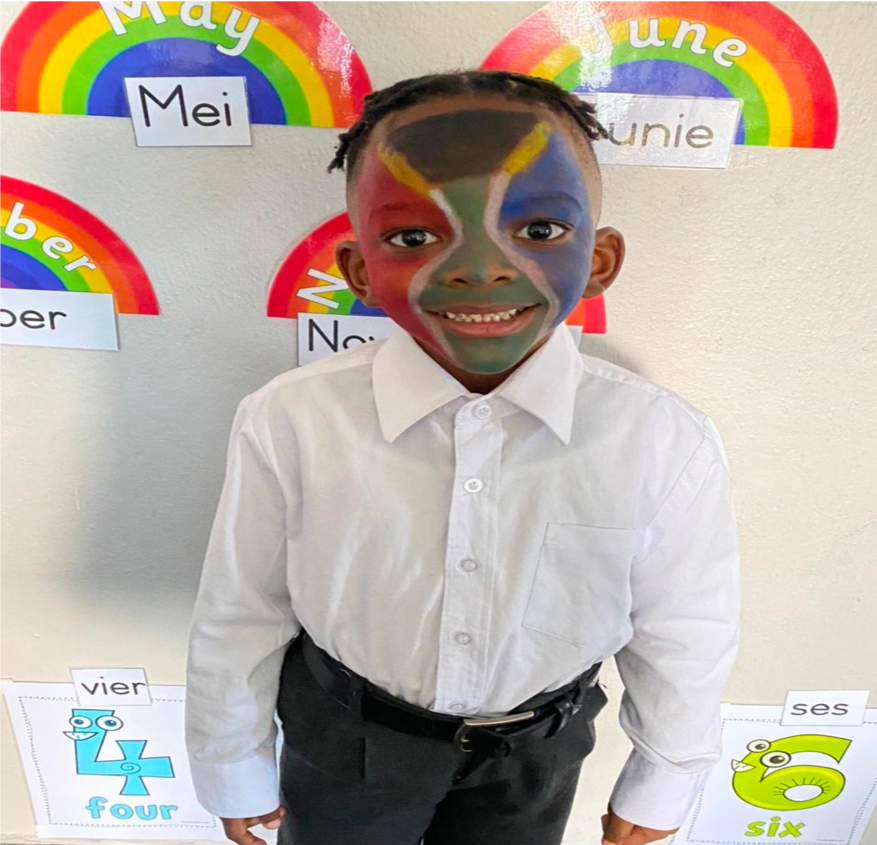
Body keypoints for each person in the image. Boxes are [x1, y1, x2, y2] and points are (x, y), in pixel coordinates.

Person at [184, 69, 741, 845]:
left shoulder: (659, 437)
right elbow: (244, 606)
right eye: (413, 237)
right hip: (347, 740)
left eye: (538, 229)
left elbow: (684, 625)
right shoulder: (291, 417)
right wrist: (231, 760)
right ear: (357, 269)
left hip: (536, 752)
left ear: (600, 258)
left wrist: (663, 777)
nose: (480, 267)